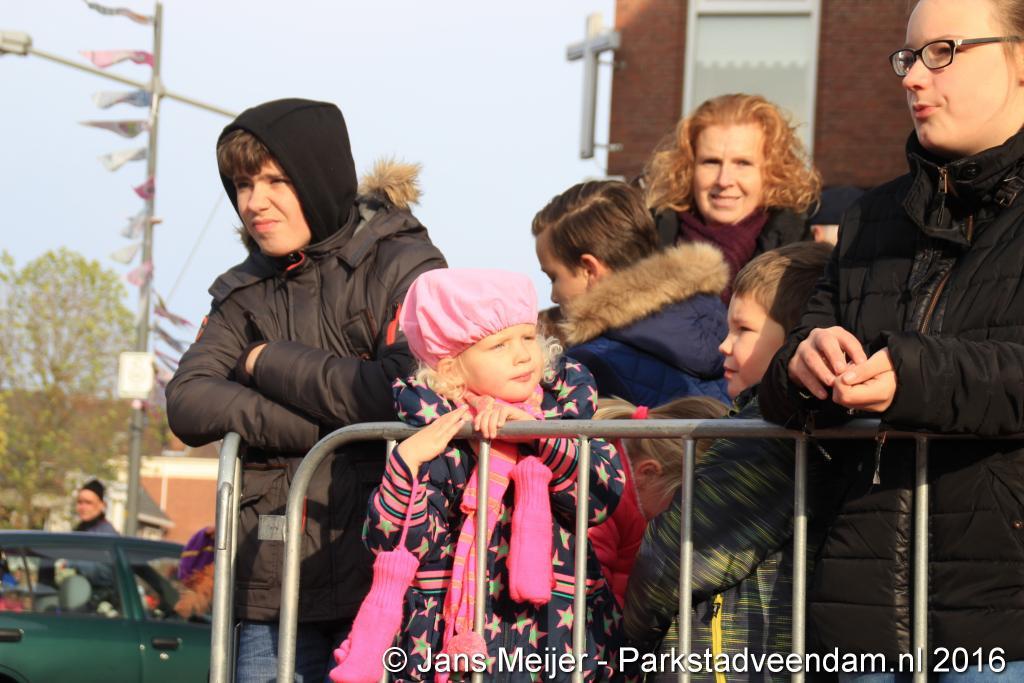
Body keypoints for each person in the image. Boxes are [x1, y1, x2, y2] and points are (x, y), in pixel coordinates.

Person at [759, 0, 1024, 679]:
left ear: (1020, 59)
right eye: (908, 57)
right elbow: (784, 384)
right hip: (863, 618)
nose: (912, 77)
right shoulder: (872, 216)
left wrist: (914, 375)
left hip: (1005, 623)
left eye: (943, 52)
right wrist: (803, 366)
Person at [165, 98, 446, 682]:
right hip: (272, 584)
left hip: (384, 577)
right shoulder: (241, 290)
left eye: (276, 180)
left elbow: (396, 391)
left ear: (318, 176)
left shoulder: (406, 264)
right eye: (243, 184)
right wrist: (325, 430)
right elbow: (188, 401)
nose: (254, 201)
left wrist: (263, 360)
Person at [329, 269, 625, 683]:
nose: (522, 355)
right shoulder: (442, 436)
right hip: (450, 635)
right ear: (452, 368)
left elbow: (600, 497)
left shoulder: (566, 415)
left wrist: (542, 437)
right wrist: (406, 464)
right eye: (499, 345)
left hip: (557, 633)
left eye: (527, 337)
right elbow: (398, 544)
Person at [625, 242, 834, 682]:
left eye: (743, 329)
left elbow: (678, 554)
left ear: (797, 338)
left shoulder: (769, 434)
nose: (724, 345)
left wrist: (629, 637)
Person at [533, 180, 730, 407]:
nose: (553, 296)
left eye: (553, 277)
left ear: (589, 270)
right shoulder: (724, 322)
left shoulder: (588, 366)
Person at [644, 93, 822, 299]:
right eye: (711, 162)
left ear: (773, 172)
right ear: (688, 168)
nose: (724, 180)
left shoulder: (802, 262)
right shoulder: (644, 244)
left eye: (742, 163)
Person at [588, 396, 728, 607]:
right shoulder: (602, 506)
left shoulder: (627, 502)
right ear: (648, 473)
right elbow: (589, 591)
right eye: (681, 501)